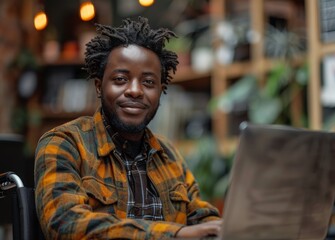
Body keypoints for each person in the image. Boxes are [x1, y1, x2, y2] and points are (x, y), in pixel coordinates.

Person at [34, 16, 222, 239]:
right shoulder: (64, 144)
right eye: (121, 79)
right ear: (99, 86)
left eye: (149, 82)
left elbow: (202, 217)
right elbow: (65, 224)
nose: (135, 90)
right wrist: (175, 235)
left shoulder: (169, 155)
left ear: (161, 92)